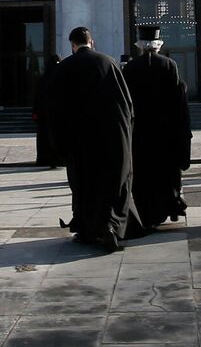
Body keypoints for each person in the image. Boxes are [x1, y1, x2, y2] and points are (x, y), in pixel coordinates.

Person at [45, 26, 140, 250]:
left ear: (72, 44)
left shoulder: (64, 67)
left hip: (79, 140)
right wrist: (126, 134)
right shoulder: (109, 63)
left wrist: (59, 144)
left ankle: (88, 229)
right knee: (112, 182)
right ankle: (112, 226)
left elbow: (55, 110)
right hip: (111, 137)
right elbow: (126, 105)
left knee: (85, 185)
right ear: (92, 42)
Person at [122, 24, 192, 227]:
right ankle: (170, 207)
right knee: (166, 173)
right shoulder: (169, 65)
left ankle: (146, 211)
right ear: (158, 45)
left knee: (143, 173)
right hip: (165, 132)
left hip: (141, 132)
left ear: (140, 46)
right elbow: (177, 100)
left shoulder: (131, 68)